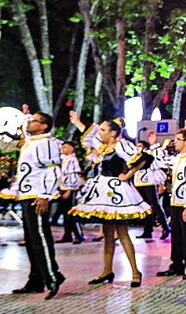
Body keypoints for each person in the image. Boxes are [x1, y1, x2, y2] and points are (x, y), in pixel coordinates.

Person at [69, 113, 152, 287]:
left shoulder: (121, 145)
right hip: (103, 190)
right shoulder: (103, 147)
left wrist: (128, 175)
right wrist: (77, 122)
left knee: (122, 232)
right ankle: (107, 271)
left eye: (103, 130)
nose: (100, 133)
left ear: (113, 133)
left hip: (116, 192)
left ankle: (135, 271)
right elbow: (88, 136)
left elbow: (143, 158)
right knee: (107, 234)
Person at [8, 111, 66, 299]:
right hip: (26, 195)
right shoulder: (32, 142)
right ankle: (36, 280)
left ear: (44, 126)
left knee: (40, 238)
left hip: (36, 196)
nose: (29, 123)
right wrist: (25, 116)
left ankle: (52, 276)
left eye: (33, 121)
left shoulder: (46, 143)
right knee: (31, 239)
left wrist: (45, 196)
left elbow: (53, 170)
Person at [155, 130, 186, 281]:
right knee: (176, 235)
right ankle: (177, 265)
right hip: (176, 202)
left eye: (178, 139)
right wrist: (155, 147)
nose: (175, 142)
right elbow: (160, 162)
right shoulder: (178, 158)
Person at [135, 133, 171, 240]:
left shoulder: (150, 155)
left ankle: (165, 227)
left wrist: (160, 183)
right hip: (139, 183)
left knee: (155, 205)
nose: (138, 148)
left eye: (140, 146)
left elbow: (157, 162)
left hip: (149, 183)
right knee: (146, 208)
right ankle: (147, 231)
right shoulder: (135, 157)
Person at [56, 140, 85, 244]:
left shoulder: (72, 160)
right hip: (63, 188)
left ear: (71, 148)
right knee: (65, 214)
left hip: (71, 190)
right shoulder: (64, 159)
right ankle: (67, 235)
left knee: (72, 214)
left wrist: (69, 190)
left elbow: (73, 176)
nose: (62, 149)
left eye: (65, 147)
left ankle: (78, 235)